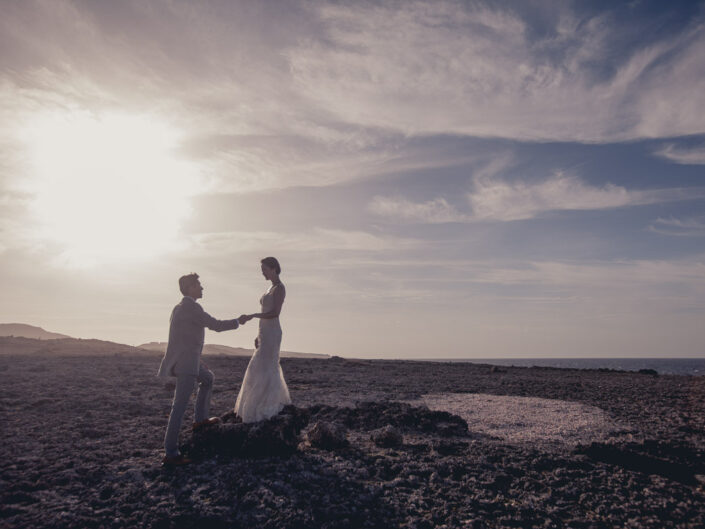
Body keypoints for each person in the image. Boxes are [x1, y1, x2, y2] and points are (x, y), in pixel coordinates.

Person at [157, 273, 249, 466]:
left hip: (189, 360)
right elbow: (215, 325)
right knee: (179, 408)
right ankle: (171, 453)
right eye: (199, 285)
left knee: (207, 379)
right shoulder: (192, 307)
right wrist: (238, 322)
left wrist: (197, 361)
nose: (202, 288)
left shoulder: (179, 308)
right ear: (190, 288)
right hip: (187, 364)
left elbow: (185, 338)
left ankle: (200, 420)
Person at [234, 257, 291, 423]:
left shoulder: (279, 288)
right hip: (264, 332)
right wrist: (258, 334)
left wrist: (253, 315)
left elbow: (274, 313)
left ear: (273, 268)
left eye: (264, 269)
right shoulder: (270, 288)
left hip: (273, 332)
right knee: (258, 366)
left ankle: (269, 406)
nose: (262, 272)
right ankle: (256, 405)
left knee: (268, 366)